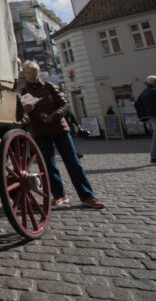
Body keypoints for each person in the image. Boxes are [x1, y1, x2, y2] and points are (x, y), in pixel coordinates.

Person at [21, 60, 105, 209]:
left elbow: (64, 104)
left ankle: (87, 196)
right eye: (29, 72)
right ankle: (59, 194)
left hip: (58, 128)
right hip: (40, 130)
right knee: (48, 165)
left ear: (38, 72)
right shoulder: (24, 91)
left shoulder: (49, 86)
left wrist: (53, 116)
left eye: (34, 72)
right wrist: (31, 112)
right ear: (25, 74)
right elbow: (23, 114)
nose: (32, 75)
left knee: (73, 162)